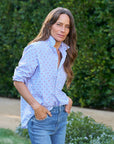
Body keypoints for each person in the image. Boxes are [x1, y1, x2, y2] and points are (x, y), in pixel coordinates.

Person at [13, 7, 77, 144]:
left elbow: (53, 84)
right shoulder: (36, 49)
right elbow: (18, 80)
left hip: (61, 116)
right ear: (49, 25)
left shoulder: (64, 51)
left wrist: (66, 99)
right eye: (59, 24)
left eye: (67, 27)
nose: (62, 30)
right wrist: (35, 106)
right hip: (41, 119)